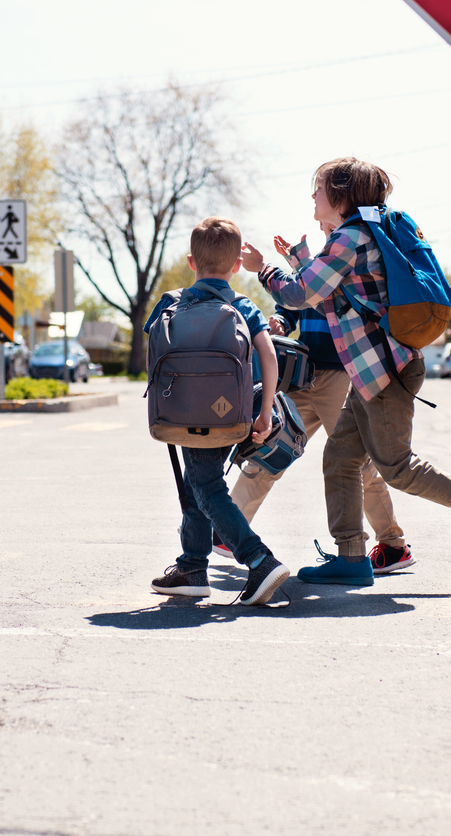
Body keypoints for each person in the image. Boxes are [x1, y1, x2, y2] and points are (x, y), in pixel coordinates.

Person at [240, 157, 451, 585]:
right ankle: (351, 558)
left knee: (397, 467)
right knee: (340, 460)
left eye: (317, 189)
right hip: (372, 372)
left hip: (386, 372)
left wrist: (264, 270)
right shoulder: (354, 237)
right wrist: (299, 258)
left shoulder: (349, 239)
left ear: (339, 195)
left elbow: (302, 293)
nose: (313, 197)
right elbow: (326, 292)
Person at [214, 297, 414, 582]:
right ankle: (228, 529)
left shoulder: (340, 259)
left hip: (343, 375)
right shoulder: (307, 267)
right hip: (304, 373)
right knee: (269, 446)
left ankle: (393, 544)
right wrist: (282, 320)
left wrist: (266, 270)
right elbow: (293, 303)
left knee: (357, 463)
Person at [146, 217, 289, 606]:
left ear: (192, 262)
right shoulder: (243, 306)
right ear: (237, 266)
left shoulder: (170, 303)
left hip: (181, 412)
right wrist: (266, 412)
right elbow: (269, 355)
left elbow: (156, 346)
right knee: (201, 481)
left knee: (205, 485)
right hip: (233, 412)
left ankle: (258, 559)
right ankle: (192, 566)